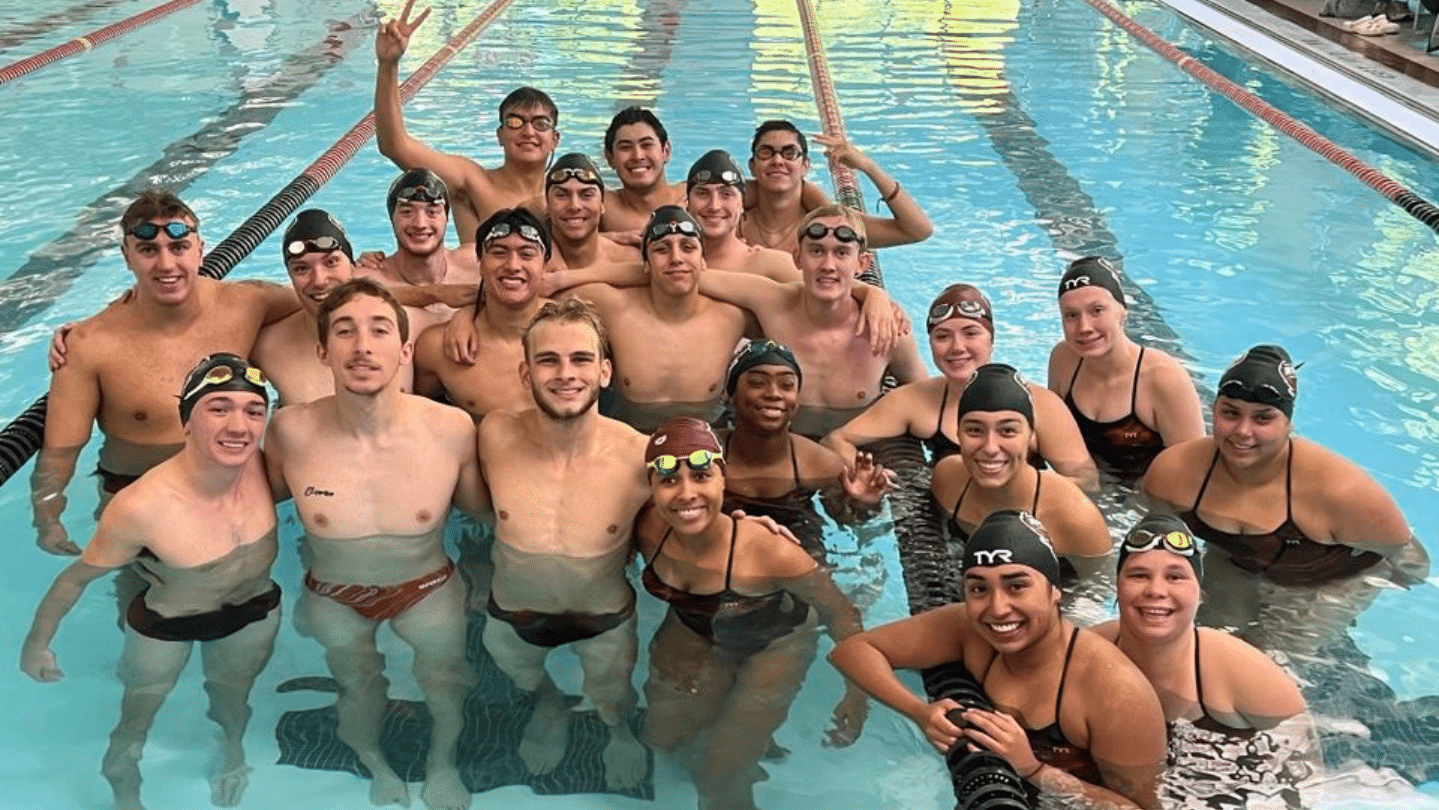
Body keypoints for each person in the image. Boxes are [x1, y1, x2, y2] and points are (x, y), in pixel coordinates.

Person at [22, 354, 280, 810]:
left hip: (254, 609)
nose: (239, 425)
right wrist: (37, 643)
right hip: (167, 623)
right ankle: (121, 764)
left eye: (253, 411)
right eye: (218, 408)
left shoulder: (266, 468)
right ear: (186, 422)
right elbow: (75, 579)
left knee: (234, 695)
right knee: (141, 707)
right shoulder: (141, 507)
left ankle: (233, 753)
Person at [265, 277, 486, 810]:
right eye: (344, 331)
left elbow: (482, 518)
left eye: (379, 330)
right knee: (357, 685)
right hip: (332, 592)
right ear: (322, 350)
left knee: (446, 680)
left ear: (405, 349)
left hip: (428, 586)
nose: (362, 346)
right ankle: (374, 764)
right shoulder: (288, 431)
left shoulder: (451, 430)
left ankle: (442, 762)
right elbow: (251, 512)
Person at [829, 509, 1167, 809]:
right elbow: (852, 652)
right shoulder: (968, 629)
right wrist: (919, 712)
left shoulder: (1116, 692)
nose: (997, 608)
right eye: (979, 589)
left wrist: (1032, 768)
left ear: (1054, 591)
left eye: (1017, 586)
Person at [32, 189, 297, 555]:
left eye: (178, 248)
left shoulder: (246, 303)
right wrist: (48, 519)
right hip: (136, 499)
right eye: (148, 251)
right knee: (140, 607)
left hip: (235, 489)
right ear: (128, 257)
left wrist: (399, 281)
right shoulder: (89, 345)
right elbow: (59, 453)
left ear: (200, 249)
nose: (166, 265)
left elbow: (332, 301)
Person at [634, 417, 868, 810]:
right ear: (653, 488)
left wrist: (858, 695)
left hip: (775, 643)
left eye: (701, 476)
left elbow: (841, 614)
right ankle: (740, 727)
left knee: (720, 773)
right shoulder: (647, 527)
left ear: (723, 478)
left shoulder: (767, 550)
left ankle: (743, 741)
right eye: (669, 481)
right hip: (697, 628)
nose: (686, 494)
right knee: (661, 738)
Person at [1142, 344, 1428, 653]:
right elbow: (1154, 546)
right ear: (1214, 410)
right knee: (1205, 642)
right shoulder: (1174, 474)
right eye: (1230, 413)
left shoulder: (1340, 492)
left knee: (1271, 660)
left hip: (1329, 580)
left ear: (1288, 423)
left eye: (1263, 419)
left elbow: (1411, 563)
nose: (1242, 431)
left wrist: (1359, 598)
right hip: (1235, 559)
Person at [475, 297, 651, 789]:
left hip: (604, 620)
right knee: (524, 680)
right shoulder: (494, 435)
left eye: (580, 359)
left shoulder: (639, 456)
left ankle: (618, 733)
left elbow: (696, 519)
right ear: (525, 373)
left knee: (613, 699)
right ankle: (550, 705)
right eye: (548, 360)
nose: (565, 373)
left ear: (605, 371)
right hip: (513, 617)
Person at [1094, 514, 1311, 808]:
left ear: (1200, 593)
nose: (1156, 590)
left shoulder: (1247, 673)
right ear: (1117, 588)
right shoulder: (1088, 653)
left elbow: (1308, 782)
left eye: (1175, 577)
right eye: (1138, 575)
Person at [823, 283, 1099, 492]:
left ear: (991, 340)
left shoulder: (1040, 403)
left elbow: (1086, 481)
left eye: (970, 333)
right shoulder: (916, 399)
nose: (957, 348)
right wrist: (869, 475)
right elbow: (836, 440)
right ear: (930, 344)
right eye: (943, 336)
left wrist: (1016, 489)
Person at [700, 204, 927, 437]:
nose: (828, 266)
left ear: (862, 263)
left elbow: (927, 400)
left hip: (855, 451)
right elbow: (693, 276)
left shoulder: (887, 331)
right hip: (780, 446)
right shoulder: (771, 301)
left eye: (841, 253)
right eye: (816, 251)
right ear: (797, 258)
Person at [374, 0, 560, 243]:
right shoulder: (472, 181)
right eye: (515, 122)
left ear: (555, 139)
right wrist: (389, 65)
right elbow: (395, 146)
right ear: (499, 135)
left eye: (541, 124)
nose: (528, 131)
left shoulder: (570, 194)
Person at [573, 205, 753, 432]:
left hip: (704, 447)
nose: (676, 258)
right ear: (645, 265)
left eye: (688, 248)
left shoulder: (732, 318)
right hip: (630, 444)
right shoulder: (614, 308)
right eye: (661, 249)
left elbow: (789, 301)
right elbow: (538, 295)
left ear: (704, 261)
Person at [930, 363, 1111, 583]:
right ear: (958, 434)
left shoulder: (1073, 517)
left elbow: (1100, 589)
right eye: (975, 430)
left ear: (1031, 436)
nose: (990, 447)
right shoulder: (947, 479)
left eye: (1007, 431)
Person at [718, 340, 894, 561]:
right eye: (757, 382)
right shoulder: (704, 451)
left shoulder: (821, 463)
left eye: (787, 385)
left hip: (798, 546)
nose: (774, 394)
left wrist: (863, 503)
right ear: (730, 395)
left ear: (797, 401)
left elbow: (845, 522)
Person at [1047, 256, 1205, 482]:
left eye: (1097, 310)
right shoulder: (1063, 360)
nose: (1084, 327)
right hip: (1087, 490)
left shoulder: (1163, 378)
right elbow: (1054, 434)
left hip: (1148, 500)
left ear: (1122, 312)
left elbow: (1192, 474)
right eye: (1071, 315)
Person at [252, 209, 427, 405]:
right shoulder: (266, 347)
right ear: (290, 277)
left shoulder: (410, 322)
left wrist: (462, 319)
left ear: (353, 267)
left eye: (331, 262)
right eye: (301, 268)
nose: (319, 280)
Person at [412, 208, 552, 418]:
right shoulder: (438, 349)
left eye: (526, 254)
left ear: (545, 266)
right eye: (499, 252)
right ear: (480, 262)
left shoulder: (579, 332)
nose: (513, 265)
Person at [740, 120, 932, 254]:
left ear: (805, 166)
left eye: (790, 153)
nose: (777, 160)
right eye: (766, 153)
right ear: (752, 167)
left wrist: (869, 166)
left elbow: (917, 230)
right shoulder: (731, 221)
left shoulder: (830, 228)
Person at [360, 168, 483, 318]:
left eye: (432, 212)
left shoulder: (478, 264)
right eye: (407, 212)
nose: (420, 224)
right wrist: (436, 293)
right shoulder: (366, 280)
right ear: (392, 218)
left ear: (446, 218)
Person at [541, 152, 640, 270]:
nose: (574, 206)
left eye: (587, 195)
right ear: (547, 204)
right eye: (562, 195)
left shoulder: (632, 261)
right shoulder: (528, 262)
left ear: (602, 204)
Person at [599, 106, 686, 236]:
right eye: (625, 147)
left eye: (646, 145)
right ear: (610, 158)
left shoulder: (693, 198)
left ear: (666, 151)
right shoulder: (602, 207)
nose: (637, 156)